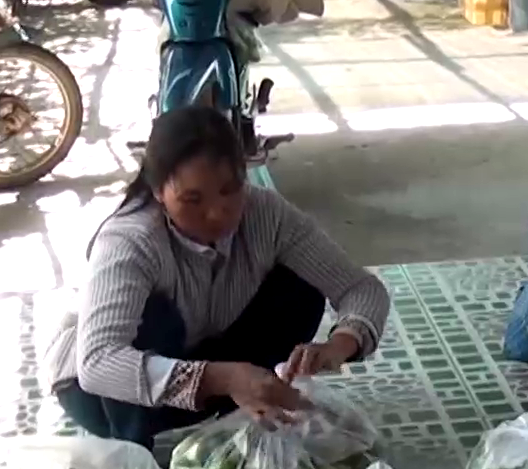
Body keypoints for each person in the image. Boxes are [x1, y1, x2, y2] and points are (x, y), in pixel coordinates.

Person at [43, 105, 391, 450]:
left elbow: (361, 288)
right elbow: (98, 364)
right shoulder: (130, 240)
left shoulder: (266, 214)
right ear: (157, 192)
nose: (217, 212)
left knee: (300, 288)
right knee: (154, 317)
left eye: (229, 189)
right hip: (100, 395)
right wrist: (225, 377)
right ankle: (140, 450)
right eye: (192, 199)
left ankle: (241, 404)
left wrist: (340, 344)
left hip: (201, 364)